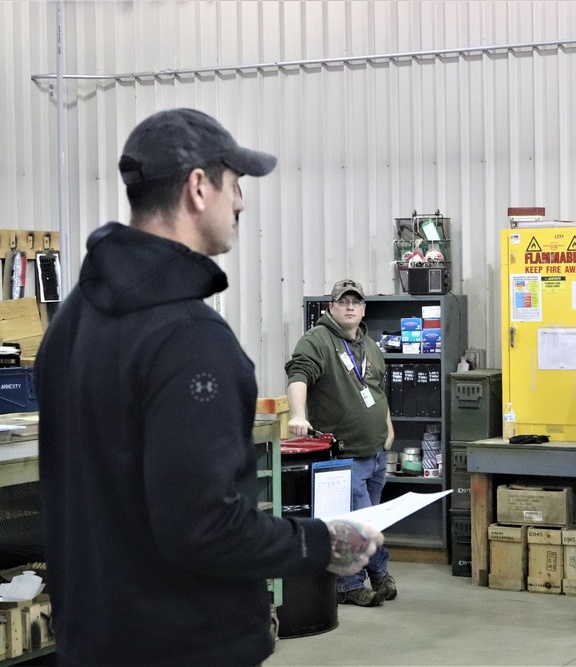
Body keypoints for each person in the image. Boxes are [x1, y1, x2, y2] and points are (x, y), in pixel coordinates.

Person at [34, 108, 383, 667]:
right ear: (199, 187)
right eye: (236, 183)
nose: (242, 202)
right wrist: (321, 542)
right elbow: (205, 528)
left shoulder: (71, 323)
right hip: (184, 643)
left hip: (92, 640)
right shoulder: (190, 338)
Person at [285, 278, 397, 607]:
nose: (350, 307)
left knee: (370, 521)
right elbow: (298, 375)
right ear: (331, 307)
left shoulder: (370, 346)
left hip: (376, 453)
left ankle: (377, 575)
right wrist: (297, 414)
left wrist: (388, 428)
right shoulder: (317, 340)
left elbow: (376, 391)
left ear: (364, 309)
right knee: (356, 524)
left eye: (356, 302)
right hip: (344, 454)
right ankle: (350, 584)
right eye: (343, 301)